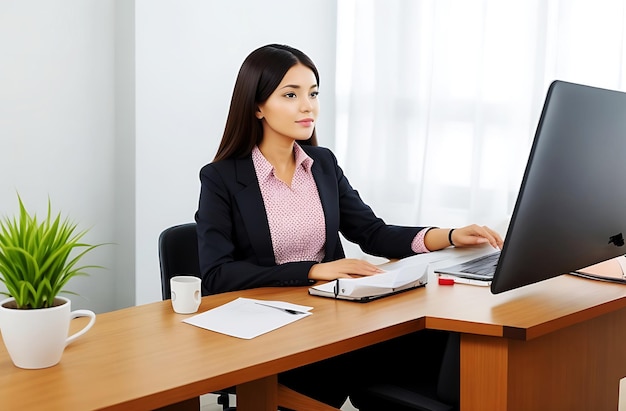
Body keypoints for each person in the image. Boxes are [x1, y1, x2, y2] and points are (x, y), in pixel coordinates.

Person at [195, 44, 503, 409]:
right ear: (258, 106)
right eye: (290, 95)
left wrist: (449, 236)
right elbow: (217, 274)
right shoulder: (222, 178)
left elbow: (373, 233)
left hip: (331, 321)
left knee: (436, 344)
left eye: (313, 94)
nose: (308, 106)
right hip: (273, 332)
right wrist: (314, 269)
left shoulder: (322, 164)